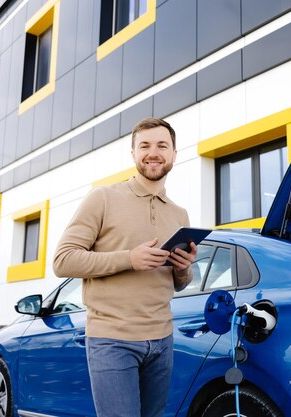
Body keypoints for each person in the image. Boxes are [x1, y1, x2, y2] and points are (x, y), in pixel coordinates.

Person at [53, 117, 196, 417]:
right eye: (144, 146)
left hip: (162, 341)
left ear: (174, 154)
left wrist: (183, 269)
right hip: (111, 340)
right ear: (133, 153)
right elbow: (63, 260)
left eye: (162, 145)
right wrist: (128, 259)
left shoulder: (180, 214)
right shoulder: (103, 198)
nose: (153, 152)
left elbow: (179, 282)